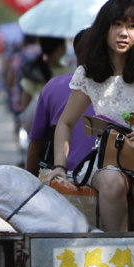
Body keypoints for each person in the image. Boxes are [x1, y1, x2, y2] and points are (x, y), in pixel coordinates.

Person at [43, 0, 134, 232]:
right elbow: (65, 123)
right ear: (103, 29)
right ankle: (119, 255)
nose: (124, 33)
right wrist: (59, 166)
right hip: (109, 159)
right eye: (116, 24)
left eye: (132, 26)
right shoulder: (89, 74)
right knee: (111, 182)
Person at [26, 30, 96, 176]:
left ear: (77, 57)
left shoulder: (54, 86)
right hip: (112, 181)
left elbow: (35, 146)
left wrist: (30, 186)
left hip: (66, 179)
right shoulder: (125, 91)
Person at [19, 37, 71, 133]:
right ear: (60, 49)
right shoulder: (71, 73)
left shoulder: (34, 72)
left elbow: (24, 104)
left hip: (39, 126)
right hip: (64, 127)